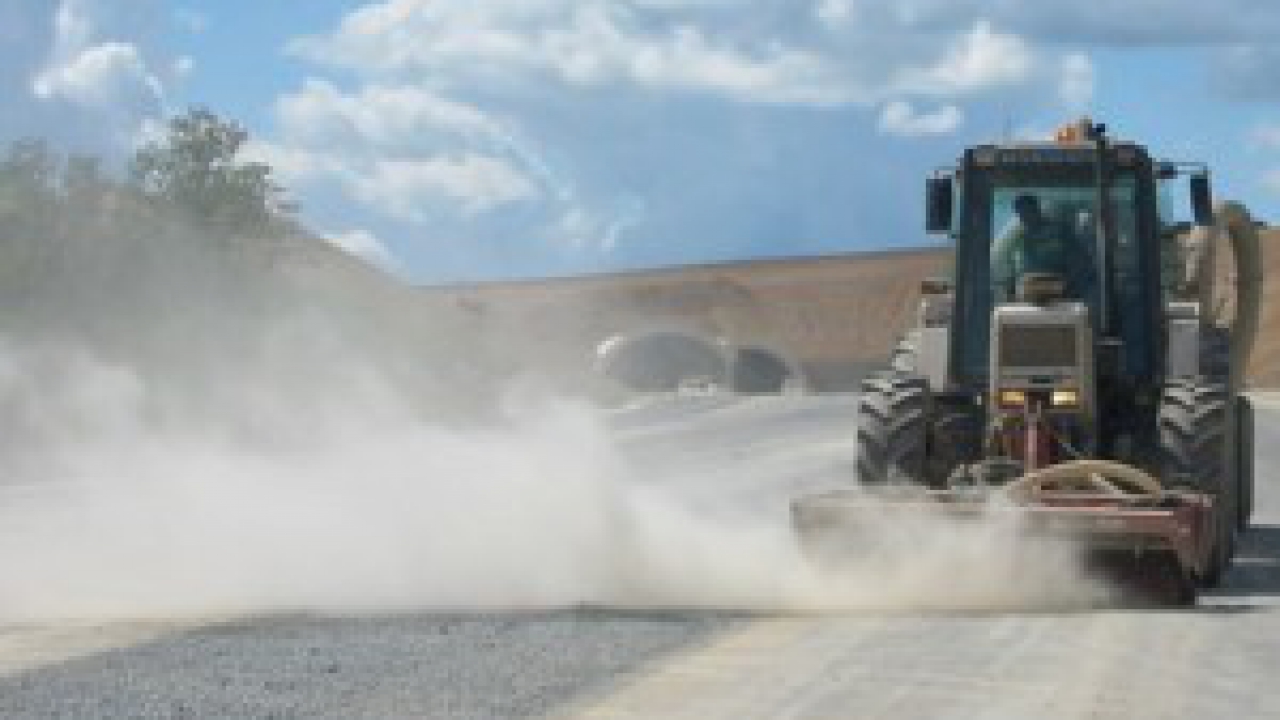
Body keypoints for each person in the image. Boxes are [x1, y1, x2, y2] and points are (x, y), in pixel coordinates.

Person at [991, 193, 1094, 301]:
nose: (1025, 217)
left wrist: (1069, 287)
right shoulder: (1016, 239)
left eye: (1028, 211)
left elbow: (1081, 265)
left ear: (1036, 209)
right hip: (1027, 299)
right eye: (1021, 214)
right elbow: (1006, 274)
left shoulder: (1060, 233)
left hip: (1063, 296)